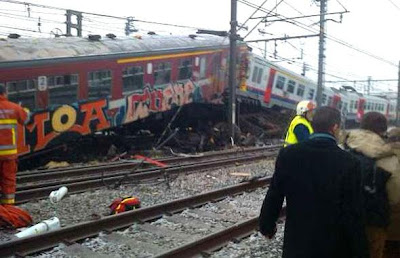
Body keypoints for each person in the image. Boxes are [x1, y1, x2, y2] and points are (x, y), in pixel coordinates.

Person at [259, 106, 368, 258]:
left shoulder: (288, 155)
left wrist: (267, 226)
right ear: (335, 127)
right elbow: (353, 211)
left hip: (297, 243)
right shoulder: (349, 162)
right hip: (333, 245)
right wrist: (360, 250)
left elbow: (274, 194)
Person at [345, 112, 400, 258]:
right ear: (383, 130)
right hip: (375, 221)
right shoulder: (387, 157)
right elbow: (395, 197)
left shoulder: (344, 145)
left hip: (346, 218)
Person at [0, 84, 28, 205]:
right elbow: (27, 120)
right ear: (4, 93)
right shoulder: (14, 108)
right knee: (8, 182)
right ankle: (8, 209)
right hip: (8, 155)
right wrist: (24, 110)